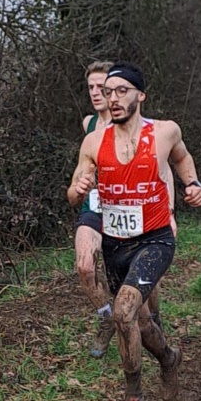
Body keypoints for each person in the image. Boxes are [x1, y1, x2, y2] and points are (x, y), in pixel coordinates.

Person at [67, 62, 201, 401]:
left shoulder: (164, 131)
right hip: (116, 244)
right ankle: (168, 357)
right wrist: (78, 190)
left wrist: (193, 184)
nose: (113, 98)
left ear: (140, 95)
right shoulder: (93, 142)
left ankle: (134, 398)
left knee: (124, 310)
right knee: (138, 323)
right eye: (108, 92)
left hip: (155, 239)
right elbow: (74, 191)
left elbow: (181, 157)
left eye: (121, 91)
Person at [74, 61, 115, 357]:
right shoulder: (88, 123)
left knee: (137, 281)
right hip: (94, 204)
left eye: (101, 87)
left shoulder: (130, 123)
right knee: (85, 266)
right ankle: (106, 318)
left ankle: (153, 321)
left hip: (125, 207)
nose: (95, 92)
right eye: (91, 87)